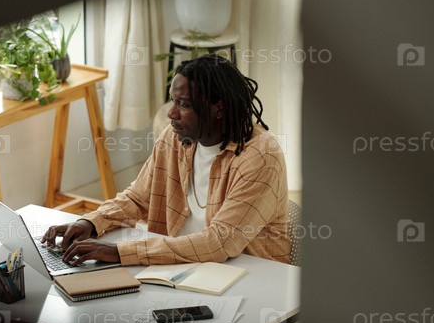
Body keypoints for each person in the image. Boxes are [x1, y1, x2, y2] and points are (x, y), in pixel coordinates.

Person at [42, 55, 291, 266]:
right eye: (173, 101)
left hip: (248, 277)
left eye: (184, 105)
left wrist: (119, 252)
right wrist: (90, 222)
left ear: (219, 109)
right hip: (178, 271)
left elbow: (219, 242)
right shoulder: (174, 138)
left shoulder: (261, 157)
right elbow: (137, 199)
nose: (171, 113)